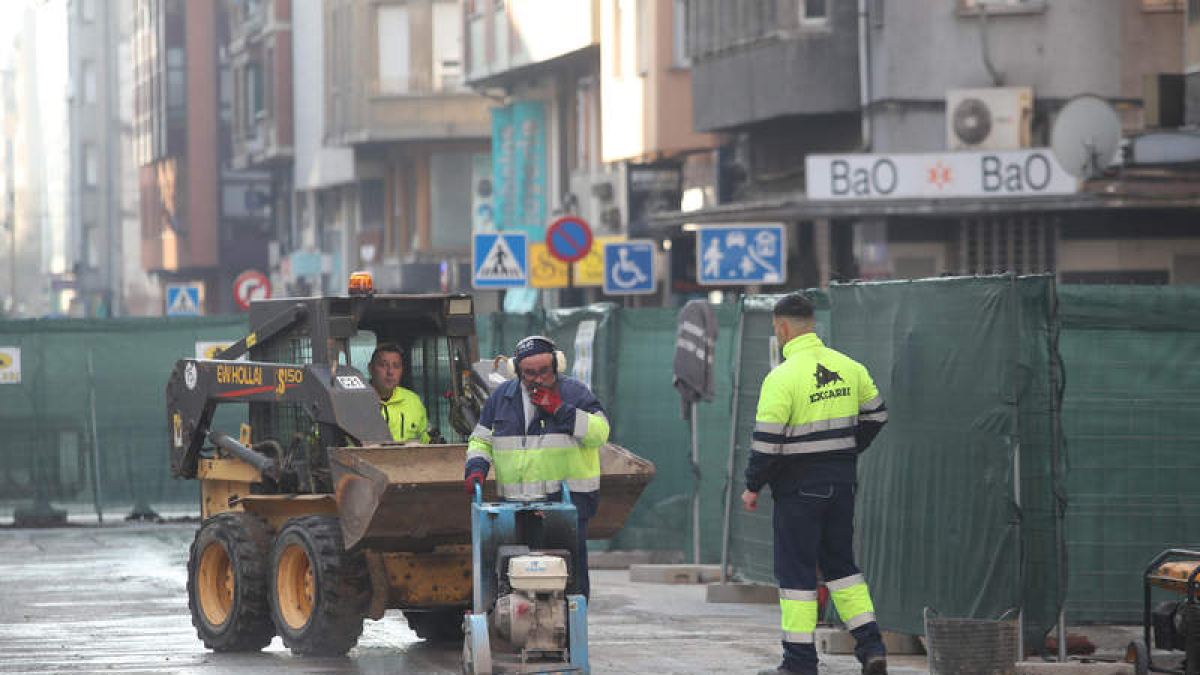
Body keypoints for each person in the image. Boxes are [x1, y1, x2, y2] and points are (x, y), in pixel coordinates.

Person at [742, 293, 890, 675]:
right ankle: (872, 647)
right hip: (842, 485)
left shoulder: (781, 377)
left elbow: (766, 443)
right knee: (843, 569)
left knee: (797, 577)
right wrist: (845, 451)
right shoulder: (849, 367)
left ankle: (800, 662)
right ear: (812, 324)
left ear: (782, 328)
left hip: (798, 491)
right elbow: (877, 415)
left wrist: (752, 485)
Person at [464, 335, 609, 598]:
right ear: (517, 371)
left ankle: (569, 631)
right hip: (515, 510)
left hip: (566, 507)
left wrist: (561, 410)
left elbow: (600, 433)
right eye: (529, 374)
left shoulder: (576, 394)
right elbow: (480, 440)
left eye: (544, 371)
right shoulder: (501, 399)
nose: (538, 379)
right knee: (511, 579)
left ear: (557, 365)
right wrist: (476, 466)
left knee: (567, 582)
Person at [368, 343, 430, 444]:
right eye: (383, 365)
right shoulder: (356, 400)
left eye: (396, 366)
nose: (390, 372)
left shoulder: (412, 400)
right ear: (370, 369)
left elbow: (426, 442)